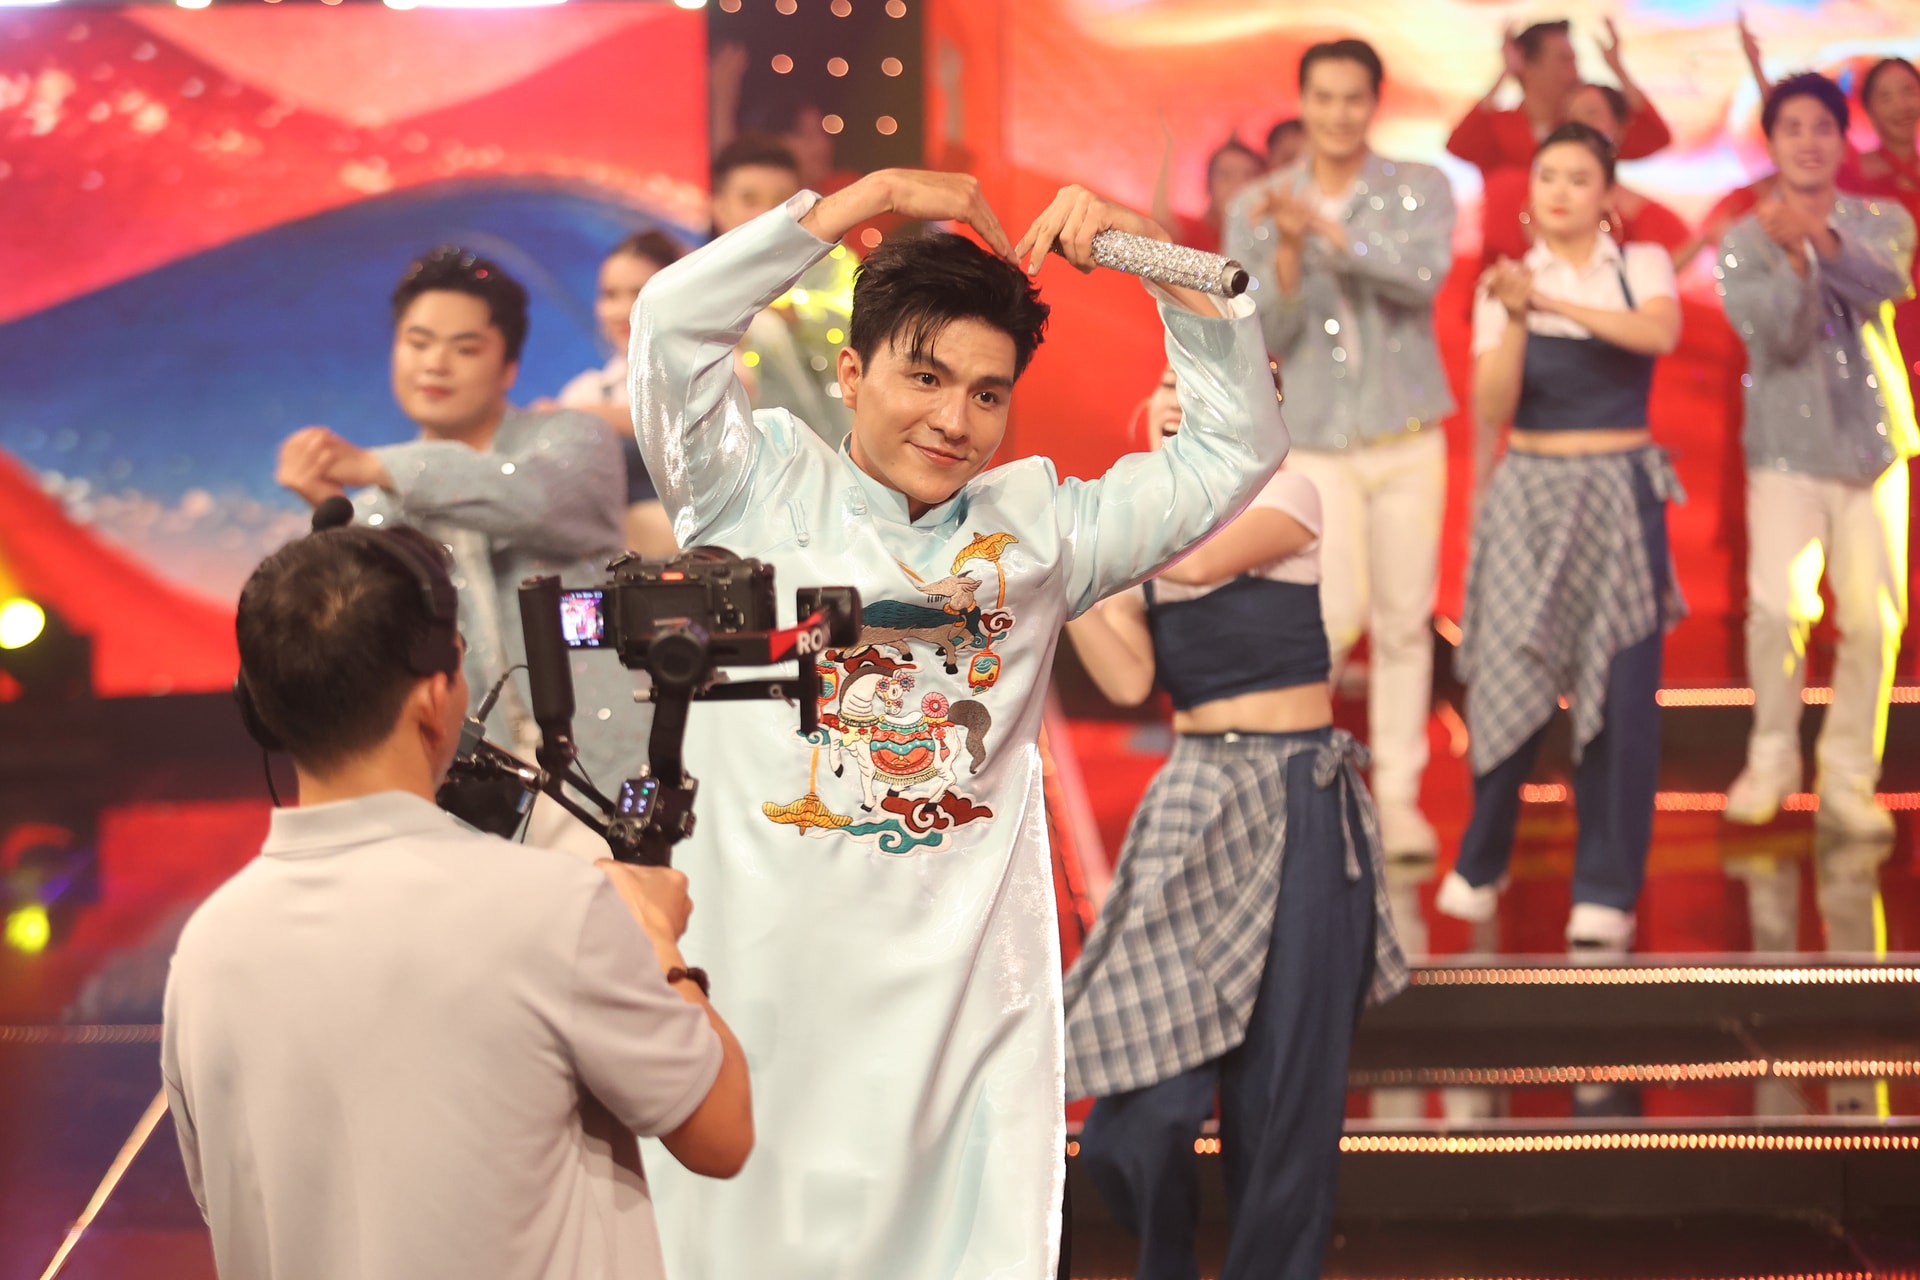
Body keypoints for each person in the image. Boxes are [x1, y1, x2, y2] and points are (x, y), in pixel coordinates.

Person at [629, 170, 1288, 1279]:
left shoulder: (1039, 535)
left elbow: (1235, 448)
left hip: (958, 1018)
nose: (954, 419)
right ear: (851, 373)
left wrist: (1146, 250)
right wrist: (863, 199)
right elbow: (672, 323)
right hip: (760, 987)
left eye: (988, 393)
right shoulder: (749, 490)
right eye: (924, 376)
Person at [162, 522, 752, 1279]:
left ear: (260, 707)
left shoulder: (207, 949)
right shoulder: (553, 909)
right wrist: (656, 940)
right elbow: (721, 1132)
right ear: (435, 699)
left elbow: (228, 1200)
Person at [1060, 365, 1404, 1280]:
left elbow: (1200, 560)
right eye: (1168, 379)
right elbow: (1130, 679)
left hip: (1297, 791)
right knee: (1134, 1117)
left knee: (1287, 1099)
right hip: (1194, 795)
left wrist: (1087, 531)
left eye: (1207, 380)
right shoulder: (1139, 527)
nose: (1180, 396)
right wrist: (1068, 581)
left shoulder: (1286, 492)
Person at [274, 246, 641, 861]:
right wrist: (334, 523)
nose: (435, 364)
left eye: (464, 348)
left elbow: (533, 500)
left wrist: (379, 468)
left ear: (509, 366)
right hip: (473, 804)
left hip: (607, 775)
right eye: (417, 343)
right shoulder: (377, 509)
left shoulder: (572, 438)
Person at [1438, 122, 1684, 954]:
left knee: (1620, 693)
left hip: (1619, 494)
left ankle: (1607, 889)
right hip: (1532, 496)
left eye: (1580, 178)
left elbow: (1658, 334)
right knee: (1509, 674)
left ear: (1606, 195)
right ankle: (1483, 857)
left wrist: (1548, 303)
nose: (1561, 191)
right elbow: (1493, 406)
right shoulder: (1506, 284)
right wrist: (1515, 315)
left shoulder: (1639, 266)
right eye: (1549, 176)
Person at [1224, 38, 1456, 858]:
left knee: (1403, 623)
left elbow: (1423, 276)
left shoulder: (1418, 187)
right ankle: (1299, 793)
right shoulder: (1258, 204)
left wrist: (1329, 233)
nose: (1337, 114)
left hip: (1408, 433)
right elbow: (1263, 331)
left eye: (1352, 98)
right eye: (1323, 97)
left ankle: (1398, 800)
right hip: (1319, 439)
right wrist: (1289, 251)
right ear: (1302, 101)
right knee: (1328, 618)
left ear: (1373, 102)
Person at [1717, 73, 1917, 835]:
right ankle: (1771, 757)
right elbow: (1775, 338)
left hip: (1874, 444)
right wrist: (1796, 264)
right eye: (1791, 128)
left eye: (1822, 127)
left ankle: (1850, 779)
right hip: (1784, 449)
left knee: (1871, 621)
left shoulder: (1883, 219)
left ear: (1842, 140)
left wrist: (1817, 239)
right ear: (1770, 144)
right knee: (1777, 609)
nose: (1808, 141)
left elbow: (1884, 282)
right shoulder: (1744, 241)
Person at [1450, 19, 1672, 263]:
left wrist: (1618, 69)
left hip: (1576, 269)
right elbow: (1459, 146)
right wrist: (1504, 74)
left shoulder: (1581, 130)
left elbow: (1654, 137)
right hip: (1504, 267)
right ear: (1528, 65)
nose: (1575, 72)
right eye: (1564, 60)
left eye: (1575, 61)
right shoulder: (1499, 127)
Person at [711, 133, 860, 447]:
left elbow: (860, 327)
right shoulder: (700, 282)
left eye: (781, 202)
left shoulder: (831, 261)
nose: (767, 214)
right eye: (750, 200)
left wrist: (790, 310)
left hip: (835, 442)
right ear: (719, 207)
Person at [549, 229, 684, 558]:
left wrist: (582, 416)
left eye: (639, 293)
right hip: (611, 565)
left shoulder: (715, 369)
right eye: (610, 295)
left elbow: (685, 424)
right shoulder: (586, 389)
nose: (623, 310)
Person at [1848, 58, 1920, 401]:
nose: (1901, 105)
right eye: (1886, 97)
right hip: (1887, 321)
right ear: (1869, 110)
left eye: (1908, 92)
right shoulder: (1854, 175)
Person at [1567, 82, 1691, 257]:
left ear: (1620, 127)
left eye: (1592, 113)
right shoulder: (1548, 203)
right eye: (1573, 118)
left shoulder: (1646, 216)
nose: (1582, 126)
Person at [1155, 132, 1266, 254]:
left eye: (1247, 175)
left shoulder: (1267, 236)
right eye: (1226, 175)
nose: (1237, 184)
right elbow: (1161, 222)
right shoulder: (1194, 231)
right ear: (1209, 184)